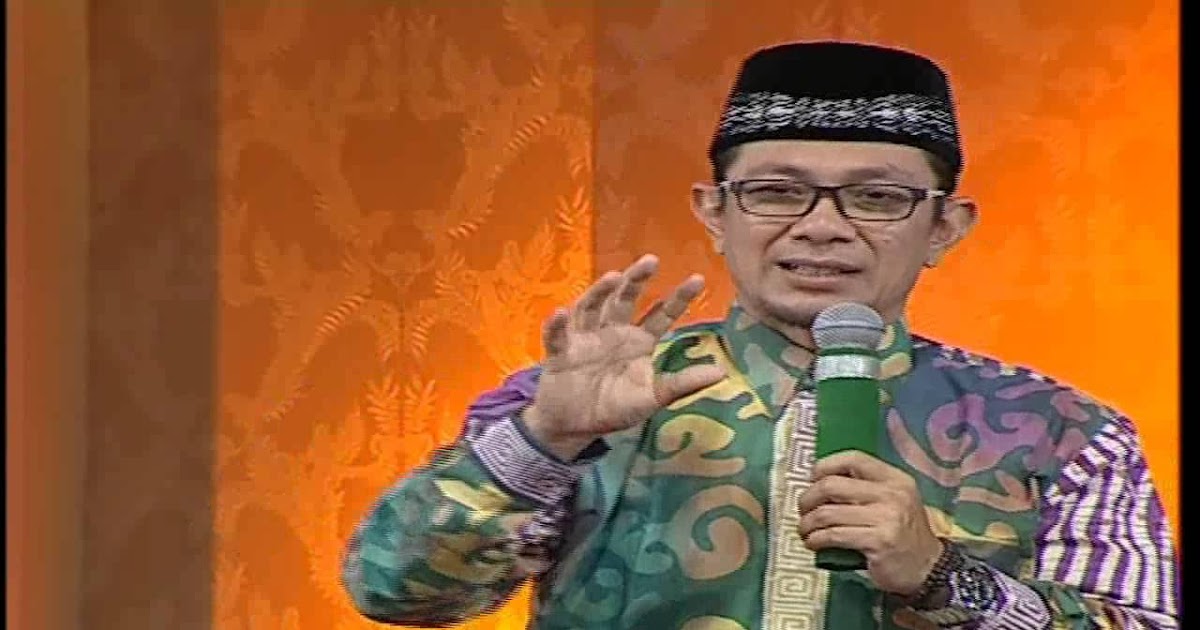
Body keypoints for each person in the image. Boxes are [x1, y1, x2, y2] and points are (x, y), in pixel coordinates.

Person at [340, 41, 1179, 629]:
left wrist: (942, 576)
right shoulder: (580, 404)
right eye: (776, 191)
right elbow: (395, 591)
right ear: (714, 213)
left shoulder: (1066, 434)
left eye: (877, 198)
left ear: (945, 228)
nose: (822, 227)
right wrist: (544, 439)